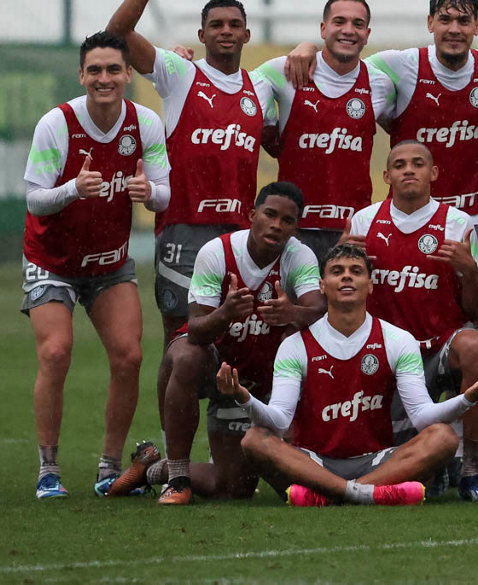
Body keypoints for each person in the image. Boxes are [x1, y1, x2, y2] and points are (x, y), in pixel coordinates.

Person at [212, 243, 478, 507]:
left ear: (371, 285)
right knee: (254, 440)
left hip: (377, 461)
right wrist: (244, 398)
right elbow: (279, 421)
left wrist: (470, 397)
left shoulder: (397, 340)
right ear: (322, 285)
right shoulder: (295, 345)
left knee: (444, 437)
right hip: (313, 463)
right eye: (337, 271)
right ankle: (366, 493)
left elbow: (422, 416)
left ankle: (332, 495)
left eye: (356, 271)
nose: (347, 277)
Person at [109, 183, 326, 504]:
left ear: (296, 228)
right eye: (269, 215)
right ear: (251, 215)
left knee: (233, 488)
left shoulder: (299, 255)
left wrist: (291, 313)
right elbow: (195, 330)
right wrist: (226, 313)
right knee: (185, 355)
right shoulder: (217, 252)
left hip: (263, 379)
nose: (276, 225)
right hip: (217, 370)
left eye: (287, 221)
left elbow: (319, 311)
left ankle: (152, 469)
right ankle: (179, 479)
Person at [23, 32, 171, 498]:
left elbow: (164, 193)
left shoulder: (145, 122)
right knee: (55, 352)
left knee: (129, 356)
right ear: (81, 75)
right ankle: (48, 470)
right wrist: (73, 189)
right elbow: (34, 199)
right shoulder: (57, 123)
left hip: (108, 262)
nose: (104, 78)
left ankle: (109, 469)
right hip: (52, 260)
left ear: (128, 74)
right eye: (94, 70)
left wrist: (149, 193)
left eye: (112, 70)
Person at [105, 0, 262, 349]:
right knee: (180, 343)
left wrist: (304, 47)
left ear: (247, 35)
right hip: (184, 229)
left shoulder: (262, 86)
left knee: (237, 342)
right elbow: (116, 33)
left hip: (240, 233)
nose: (226, 30)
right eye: (216, 25)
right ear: (202, 35)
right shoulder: (180, 74)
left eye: (235, 25)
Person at [339, 140, 478, 501]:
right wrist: (342, 259)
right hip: (387, 355)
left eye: (417, 163)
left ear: (434, 173)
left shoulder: (457, 223)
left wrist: (469, 271)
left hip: (440, 346)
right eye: (399, 165)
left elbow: (474, 311)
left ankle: (471, 471)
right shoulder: (363, 222)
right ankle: (438, 464)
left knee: (474, 344)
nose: (408, 170)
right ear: (386, 176)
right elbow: (342, 299)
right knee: (405, 465)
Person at [286, 0, 478, 227]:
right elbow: (342, 65)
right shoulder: (398, 65)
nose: (454, 29)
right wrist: (309, 47)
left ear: (477, 26)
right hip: (407, 219)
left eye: (464, 21)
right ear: (430, 23)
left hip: (477, 219)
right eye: (445, 20)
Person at [250, 0, 395, 257]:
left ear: (367, 34)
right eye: (339, 21)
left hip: (352, 230)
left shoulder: (380, 84)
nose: (348, 30)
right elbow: (236, 93)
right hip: (293, 228)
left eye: (358, 24)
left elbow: (407, 128)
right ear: (323, 28)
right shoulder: (285, 70)